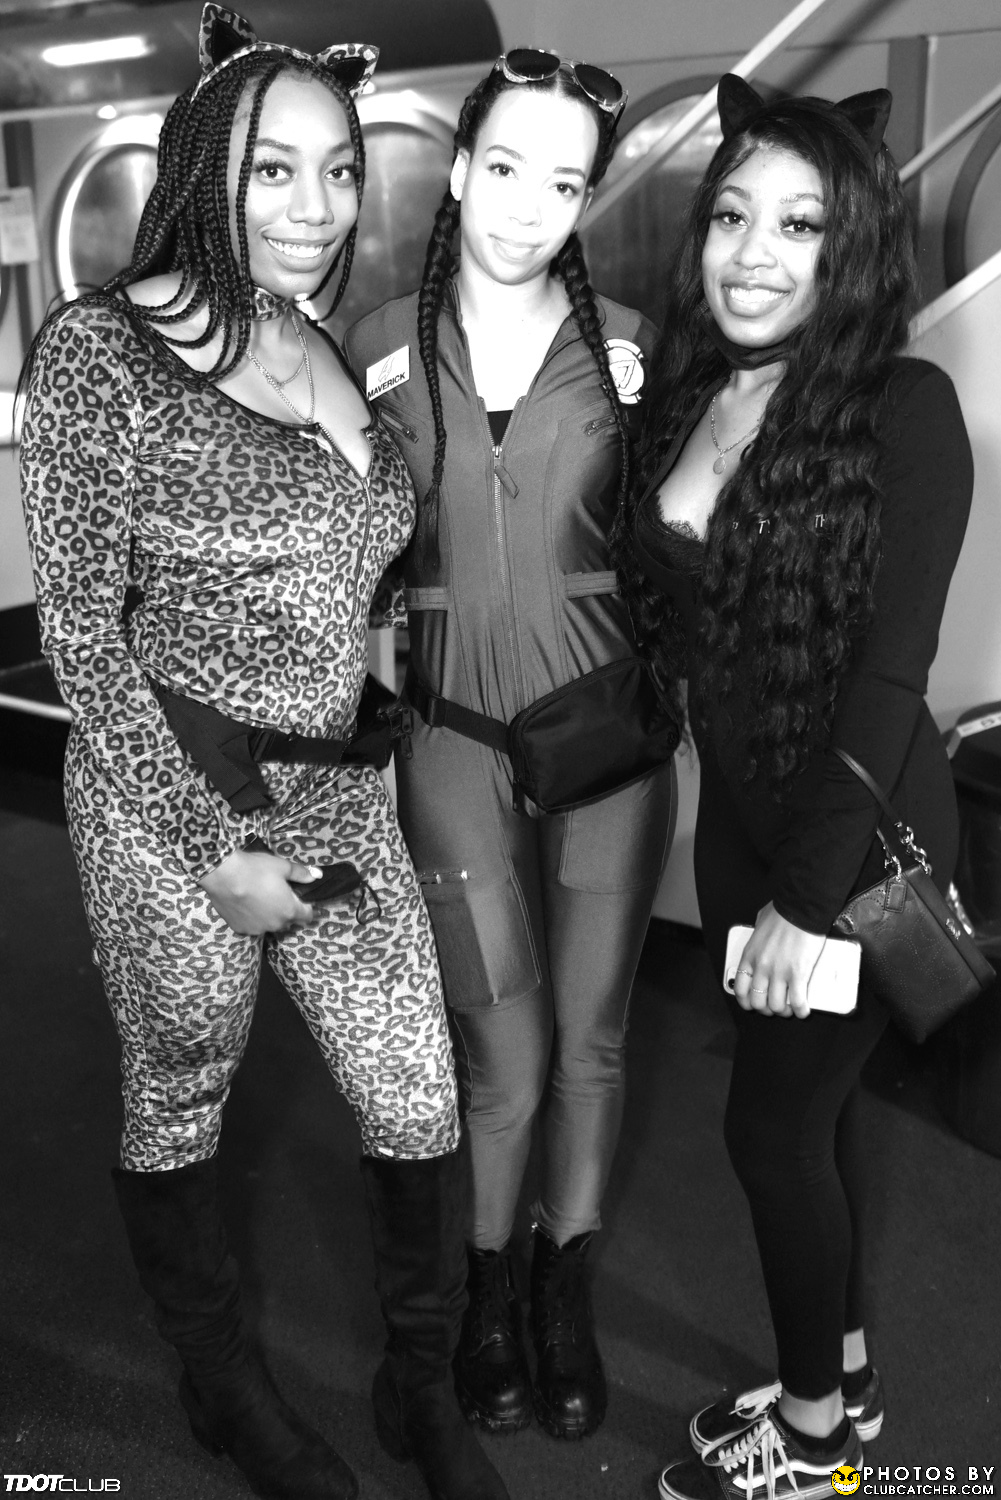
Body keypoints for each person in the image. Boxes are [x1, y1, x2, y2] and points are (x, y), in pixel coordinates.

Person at [18, 7, 509, 1500]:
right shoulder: (102, 349)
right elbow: (82, 637)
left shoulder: (313, 339)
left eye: (340, 170)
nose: (317, 208)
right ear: (198, 175)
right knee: (182, 1091)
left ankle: (419, 1385)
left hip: (339, 789)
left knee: (416, 1092)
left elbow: (345, 572)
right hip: (171, 798)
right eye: (272, 171)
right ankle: (220, 1383)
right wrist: (215, 840)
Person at [620, 74, 973, 1494]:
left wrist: (805, 905)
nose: (752, 253)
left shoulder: (905, 410)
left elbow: (888, 682)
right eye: (730, 216)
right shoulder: (697, 393)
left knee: (770, 1135)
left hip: (853, 851)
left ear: (855, 247)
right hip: (741, 834)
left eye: (799, 224)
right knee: (804, 1127)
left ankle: (817, 1437)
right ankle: (846, 1377)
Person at [347, 50, 677, 1444]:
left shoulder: (633, 351)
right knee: (504, 1049)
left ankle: (562, 1285)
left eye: (564, 182)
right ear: (457, 167)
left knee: (593, 1041)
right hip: (451, 747)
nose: (527, 205)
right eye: (504, 168)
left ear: (588, 200)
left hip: (606, 748)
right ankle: (486, 1287)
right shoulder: (373, 342)